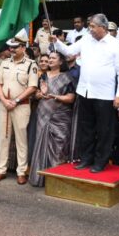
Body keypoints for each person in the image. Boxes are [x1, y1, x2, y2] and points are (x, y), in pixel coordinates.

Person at [52, 13, 119, 173]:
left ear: (103, 28)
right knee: (86, 128)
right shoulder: (86, 39)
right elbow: (68, 51)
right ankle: (86, 158)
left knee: (104, 130)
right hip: (85, 91)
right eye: (90, 26)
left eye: (93, 26)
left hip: (105, 94)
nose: (90, 29)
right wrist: (57, 42)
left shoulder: (116, 44)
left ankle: (100, 161)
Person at [0, 30, 37, 184]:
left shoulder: (31, 65)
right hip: (5, 105)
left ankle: (21, 172)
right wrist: (4, 100)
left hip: (21, 106)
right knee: (3, 138)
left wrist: (16, 100)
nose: (12, 49)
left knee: (21, 139)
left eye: (15, 47)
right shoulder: (5, 63)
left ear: (23, 47)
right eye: (11, 47)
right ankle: (1, 170)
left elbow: (32, 87)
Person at [29, 52, 76, 186]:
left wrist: (55, 96)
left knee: (59, 147)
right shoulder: (42, 76)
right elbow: (37, 95)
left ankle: (56, 181)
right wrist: (41, 94)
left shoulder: (67, 77)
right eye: (49, 58)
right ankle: (40, 178)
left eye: (53, 58)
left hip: (61, 116)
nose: (50, 60)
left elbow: (71, 98)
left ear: (61, 62)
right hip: (43, 113)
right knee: (40, 143)